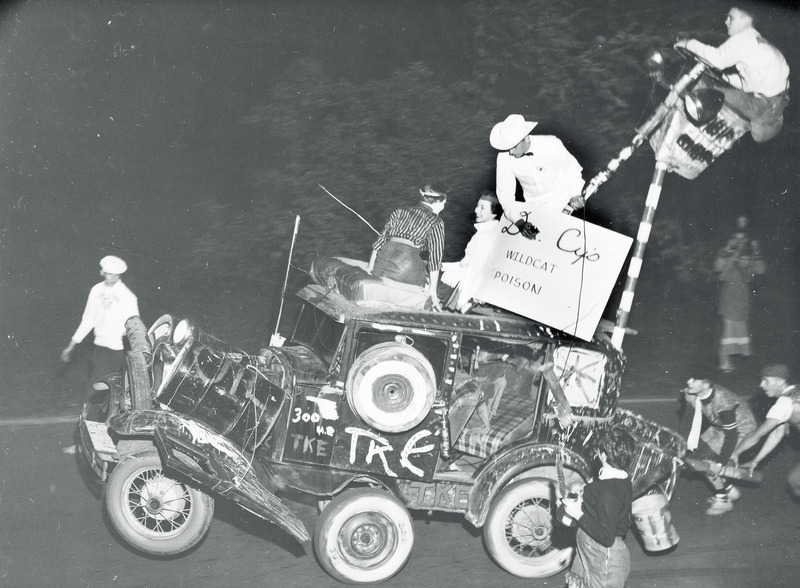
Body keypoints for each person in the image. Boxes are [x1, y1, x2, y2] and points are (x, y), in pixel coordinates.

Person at [675, 6, 790, 143]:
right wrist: (725, 77)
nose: (726, 22)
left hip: (762, 105)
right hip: (773, 104)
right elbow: (749, 83)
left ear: (746, 20)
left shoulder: (745, 38)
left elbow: (717, 59)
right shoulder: (758, 41)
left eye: (731, 18)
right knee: (712, 91)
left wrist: (688, 43)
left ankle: (685, 141)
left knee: (704, 94)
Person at [489, 114, 585, 239]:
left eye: (513, 147)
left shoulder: (551, 144)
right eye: (508, 148)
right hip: (534, 210)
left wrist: (574, 194)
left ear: (526, 138)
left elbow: (572, 168)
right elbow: (505, 195)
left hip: (566, 203)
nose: (511, 152)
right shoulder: (503, 158)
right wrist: (519, 221)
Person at [561, 427, 635, 588]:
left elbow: (606, 537)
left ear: (602, 455)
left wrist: (577, 513)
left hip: (602, 556)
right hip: (591, 549)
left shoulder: (605, 491)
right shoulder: (623, 480)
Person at [680, 370, 757, 515]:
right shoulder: (695, 392)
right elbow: (688, 418)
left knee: (707, 462)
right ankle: (729, 490)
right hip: (719, 426)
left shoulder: (723, 404)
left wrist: (720, 463)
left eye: (694, 379)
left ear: (706, 384)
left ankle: (723, 500)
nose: (689, 382)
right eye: (689, 379)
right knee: (694, 458)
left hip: (740, 430)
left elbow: (732, 436)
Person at [61, 255, 140, 382]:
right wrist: (71, 345)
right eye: (109, 274)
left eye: (116, 275)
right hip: (99, 347)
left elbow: (135, 328)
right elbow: (88, 319)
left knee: (110, 388)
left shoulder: (128, 297)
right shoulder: (96, 290)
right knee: (96, 384)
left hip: (118, 349)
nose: (112, 277)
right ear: (102, 272)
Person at [369, 183, 447, 310]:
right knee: (424, 279)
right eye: (444, 203)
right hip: (407, 267)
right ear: (437, 202)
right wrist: (433, 292)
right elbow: (435, 260)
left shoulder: (399, 211)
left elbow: (380, 241)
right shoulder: (436, 221)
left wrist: (370, 267)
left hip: (383, 260)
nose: (443, 207)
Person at [729, 364, 800, 499]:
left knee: (795, 481)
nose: (761, 385)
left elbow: (757, 435)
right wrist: (757, 460)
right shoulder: (795, 390)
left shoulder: (783, 404)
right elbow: (777, 433)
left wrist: (736, 453)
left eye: (766, 380)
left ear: (779, 381)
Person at [714, 216, 765, 372]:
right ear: (733, 238)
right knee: (728, 331)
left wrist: (756, 252)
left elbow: (761, 270)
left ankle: (731, 360)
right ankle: (724, 362)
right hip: (729, 297)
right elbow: (717, 268)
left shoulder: (748, 255)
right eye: (737, 239)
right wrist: (728, 251)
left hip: (742, 299)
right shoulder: (726, 252)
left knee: (739, 330)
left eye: (743, 239)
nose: (740, 242)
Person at [439, 190, 501, 312]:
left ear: (494, 213)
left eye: (482, 208)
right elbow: (467, 264)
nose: (476, 210)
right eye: (477, 206)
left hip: (467, 296)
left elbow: (475, 270)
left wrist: (463, 301)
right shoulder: (490, 233)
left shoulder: (484, 236)